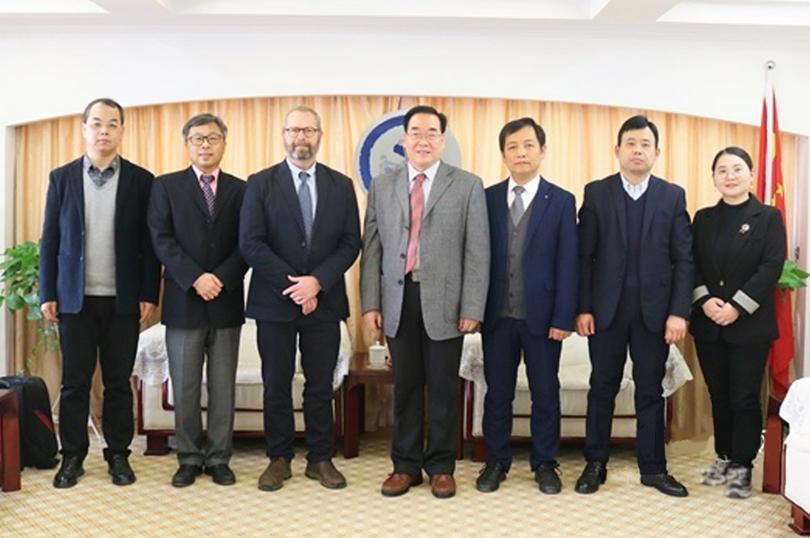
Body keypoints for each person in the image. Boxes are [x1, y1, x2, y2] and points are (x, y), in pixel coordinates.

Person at [360, 105, 490, 499]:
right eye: (415, 132)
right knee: (406, 388)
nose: (423, 139)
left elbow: (477, 252)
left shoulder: (466, 185)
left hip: (447, 304)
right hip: (398, 299)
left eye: (431, 132)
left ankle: (441, 467)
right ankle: (404, 466)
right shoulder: (383, 185)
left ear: (442, 141)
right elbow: (373, 248)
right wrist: (371, 303)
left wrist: (472, 307)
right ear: (404, 140)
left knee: (444, 388)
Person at [39, 97, 160, 488]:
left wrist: (149, 293)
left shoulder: (142, 180)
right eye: (96, 123)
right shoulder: (62, 178)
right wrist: (47, 291)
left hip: (123, 300)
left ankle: (119, 455)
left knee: (118, 382)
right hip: (74, 299)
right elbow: (50, 239)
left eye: (112, 124)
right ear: (84, 129)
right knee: (74, 382)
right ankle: (72, 456)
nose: (103, 131)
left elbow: (149, 243)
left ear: (122, 130)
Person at [239, 105, 360, 492]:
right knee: (275, 383)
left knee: (320, 385)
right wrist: (297, 286)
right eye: (294, 130)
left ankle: (320, 458)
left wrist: (317, 283)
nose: (301, 137)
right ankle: (279, 458)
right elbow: (251, 243)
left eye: (308, 130)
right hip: (274, 302)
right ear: (284, 136)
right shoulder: (260, 183)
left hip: (325, 302)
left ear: (320, 136)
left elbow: (350, 243)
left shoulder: (341, 185)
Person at [575, 115, 693, 497]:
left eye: (645, 144)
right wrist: (583, 307)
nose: (637, 150)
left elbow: (684, 259)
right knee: (601, 387)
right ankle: (595, 464)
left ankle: (653, 469)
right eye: (631, 143)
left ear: (656, 152)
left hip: (654, 315)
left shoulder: (672, 196)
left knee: (650, 391)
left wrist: (679, 312)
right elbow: (584, 257)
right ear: (618, 150)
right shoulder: (597, 193)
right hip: (605, 312)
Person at [476, 117, 577, 494]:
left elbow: (568, 262)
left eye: (528, 145)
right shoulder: (486, 198)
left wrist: (563, 316)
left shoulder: (562, 200)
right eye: (512, 147)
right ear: (503, 154)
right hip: (496, 316)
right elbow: (476, 257)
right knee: (497, 394)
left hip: (543, 318)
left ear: (542, 150)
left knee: (545, 393)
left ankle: (545, 463)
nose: (520, 152)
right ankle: (496, 461)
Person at [148, 113, 247, 487]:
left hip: (225, 299)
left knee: (223, 387)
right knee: (185, 386)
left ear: (224, 143)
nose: (205, 145)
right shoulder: (166, 186)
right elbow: (162, 239)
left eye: (212, 138)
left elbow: (248, 242)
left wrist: (219, 278)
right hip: (184, 301)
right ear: (187, 144)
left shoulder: (242, 189)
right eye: (197, 139)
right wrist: (195, 278)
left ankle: (219, 457)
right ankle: (189, 457)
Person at [690, 146, 786, 499]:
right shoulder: (703, 218)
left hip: (749, 325)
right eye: (722, 170)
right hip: (709, 323)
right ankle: (724, 456)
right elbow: (690, 264)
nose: (730, 176)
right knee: (718, 395)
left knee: (744, 396)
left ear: (751, 175)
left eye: (737, 169)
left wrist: (736, 307)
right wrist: (705, 301)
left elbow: (771, 267)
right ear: (713, 178)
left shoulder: (768, 217)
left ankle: (742, 466)